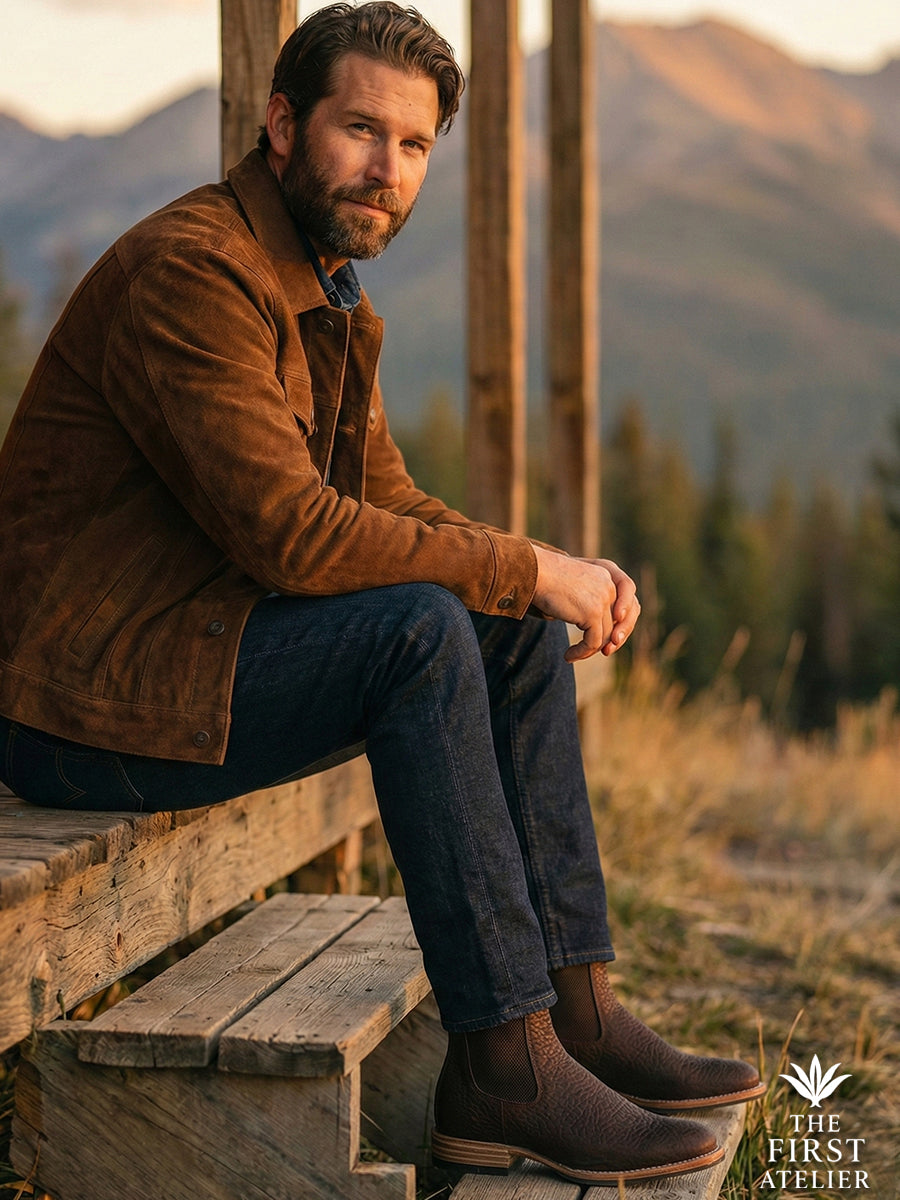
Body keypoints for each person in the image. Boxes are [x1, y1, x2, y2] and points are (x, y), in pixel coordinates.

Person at [0, 2, 764, 1185]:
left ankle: (574, 1011)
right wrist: (526, 570)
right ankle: (505, 1069)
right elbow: (296, 539)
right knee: (419, 631)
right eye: (362, 130)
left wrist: (544, 575)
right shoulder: (195, 273)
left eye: (412, 147)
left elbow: (391, 501)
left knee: (496, 622)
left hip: (195, 653)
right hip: (85, 705)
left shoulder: (319, 282)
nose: (386, 170)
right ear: (282, 123)